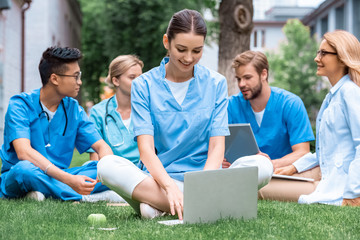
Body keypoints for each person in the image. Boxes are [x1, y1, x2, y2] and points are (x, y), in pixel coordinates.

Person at [97, 9, 273, 220]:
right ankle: (199, 205)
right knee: (106, 165)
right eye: (181, 49)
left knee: (263, 166)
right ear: (166, 42)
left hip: (205, 178)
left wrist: (204, 185)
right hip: (160, 180)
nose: (189, 58)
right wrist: (169, 187)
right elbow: (145, 151)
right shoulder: (144, 85)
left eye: (197, 51)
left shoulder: (216, 83)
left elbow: (217, 146)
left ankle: (163, 206)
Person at [0, 46, 119, 202]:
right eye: (76, 76)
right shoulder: (20, 105)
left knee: (103, 168)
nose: (80, 82)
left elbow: (101, 147)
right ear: (55, 79)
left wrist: (108, 169)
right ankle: (87, 198)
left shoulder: (74, 109)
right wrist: (69, 180)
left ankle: (41, 192)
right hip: (23, 175)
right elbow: (24, 153)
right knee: (24, 170)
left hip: (60, 175)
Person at [271, 30, 360, 206]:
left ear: (342, 58)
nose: (316, 58)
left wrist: (352, 196)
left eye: (323, 53)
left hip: (342, 187)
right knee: (270, 179)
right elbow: (323, 153)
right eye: (318, 52)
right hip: (328, 178)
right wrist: (292, 168)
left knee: (261, 188)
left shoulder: (350, 93)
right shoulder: (332, 96)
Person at [224, 50, 315, 170]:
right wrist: (222, 160)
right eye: (239, 79)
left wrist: (268, 164)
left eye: (247, 77)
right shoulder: (230, 106)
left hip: (280, 175)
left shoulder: (290, 104)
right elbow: (218, 147)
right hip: (242, 176)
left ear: (263, 74)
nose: (241, 84)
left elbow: (302, 153)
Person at [87, 55, 143, 165]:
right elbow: (95, 159)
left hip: (145, 173)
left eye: (140, 77)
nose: (139, 82)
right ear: (116, 81)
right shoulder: (98, 112)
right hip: (111, 175)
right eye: (132, 77)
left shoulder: (149, 109)